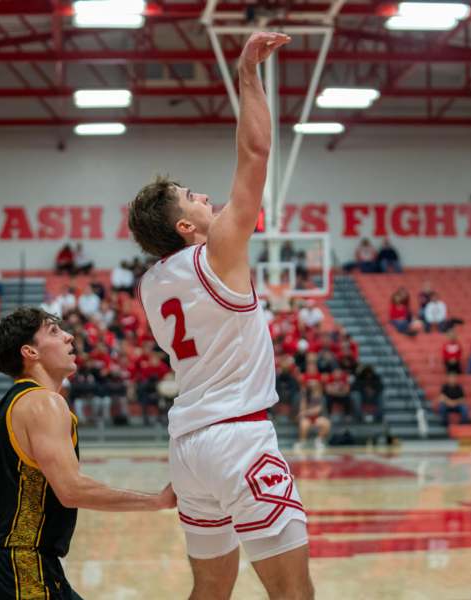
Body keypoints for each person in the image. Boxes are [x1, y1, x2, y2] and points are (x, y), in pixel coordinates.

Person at [128, 32, 313, 600]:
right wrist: (248, 74)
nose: (206, 197)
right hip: (238, 438)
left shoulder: (152, 283)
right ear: (185, 228)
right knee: (293, 594)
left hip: (188, 446)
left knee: (209, 592)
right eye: (192, 198)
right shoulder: (218, 253)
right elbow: (255, 156)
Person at [0, 307, 175, 600]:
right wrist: (156, 501)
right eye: (54, 331)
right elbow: (71, 490)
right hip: (26, 568)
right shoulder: (45, 403)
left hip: (6, 567)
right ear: (30, 352)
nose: (69, 336)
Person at [294, 381, 330, 452]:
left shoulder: (322, 398)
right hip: (307, 418)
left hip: (317, 417)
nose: (313, 389)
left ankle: (319, 441)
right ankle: (302, 442)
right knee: (304, 424)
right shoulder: (304, 397)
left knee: (326, 423)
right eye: (311, 387)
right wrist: (304, 396)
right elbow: (302, 409)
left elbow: (318, 410)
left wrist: (305, 412)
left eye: (315, 387)